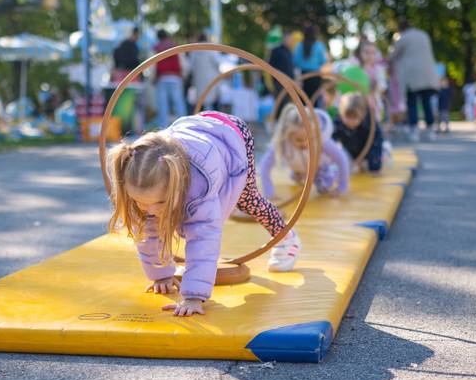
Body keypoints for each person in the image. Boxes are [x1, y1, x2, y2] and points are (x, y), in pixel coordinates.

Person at [106, 112, 302, 317]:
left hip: (232, 136)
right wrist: (161, 275)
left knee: (248, 200)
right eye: (141, 202)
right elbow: (147, 234)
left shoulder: (200, 187)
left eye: (160, 202)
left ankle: (287, 237)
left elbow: (203, 239)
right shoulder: (143, 173)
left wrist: (193, 296)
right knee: (148, 217)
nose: (151, 209)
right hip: (194, 133)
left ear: (179, 184)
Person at [260, 105, 351, 200]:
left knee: (324, 186)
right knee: (296, 177)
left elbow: (341, 158)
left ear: (314, 133)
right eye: (299, 140)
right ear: (289, 135)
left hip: (319, 168)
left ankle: (331, 172)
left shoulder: (322, 141)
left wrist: (341, 187)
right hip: (299, 169)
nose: (304, 143)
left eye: (309, 139)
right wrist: (269, 192)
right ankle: (299, 174)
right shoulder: (283, 143)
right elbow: (265, 166)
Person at [388, 18, 440, 141]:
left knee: (412, 103)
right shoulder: (423, 35)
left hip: (412, 76)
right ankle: (430, 129)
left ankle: (414, 129)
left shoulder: (403, 38)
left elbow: (393, 55)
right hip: (428, 74)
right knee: (426, 102)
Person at [333, 92, 386, 174]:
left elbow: (376, 143)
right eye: (347, 117)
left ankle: (371, 162)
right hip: (350, 152)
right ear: (341, 114)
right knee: (342, 159)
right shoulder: (338, 123)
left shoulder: (370, 124)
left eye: (354, 118)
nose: (351, 121)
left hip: (368, 152)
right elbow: (331, 140)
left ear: (362, 115)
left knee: (382, 156)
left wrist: (375, 167)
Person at [153, 29, 186, 127]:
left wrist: (153, 77)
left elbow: (153, 64)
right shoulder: (175, 45)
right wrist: (183, 74)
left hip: (162, 78)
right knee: (179, 103)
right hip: (175, 77)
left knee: (163, 106)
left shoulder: (156, 47)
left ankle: (163, 128)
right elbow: (182, 61)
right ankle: (183, 125)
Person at [186, 33, 224, 110]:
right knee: (213, 100)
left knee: (201, 101)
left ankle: (203, 118)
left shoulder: (194, 50)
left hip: (199, 79)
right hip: (212, 78)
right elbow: (218, 63)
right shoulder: (211, 48)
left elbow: (190, 66)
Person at [293, 25, 329, 98]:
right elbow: (324, 61)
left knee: (304, 100)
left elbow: (295, 61)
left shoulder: (299, 45)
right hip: (315, 76)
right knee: (314, 100)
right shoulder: (319, 45)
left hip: (303, 76)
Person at [268, 30, 296, 117]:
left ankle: (284, 121)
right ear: (284, 39)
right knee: (281, 103)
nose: (291, 41)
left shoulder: (289, 52)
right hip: (279, 81)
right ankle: (277, 122)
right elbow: (270, 66)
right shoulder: (276, 50)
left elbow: (291, 68)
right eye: (290, 39)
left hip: (289, 82)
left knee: (287, 104)